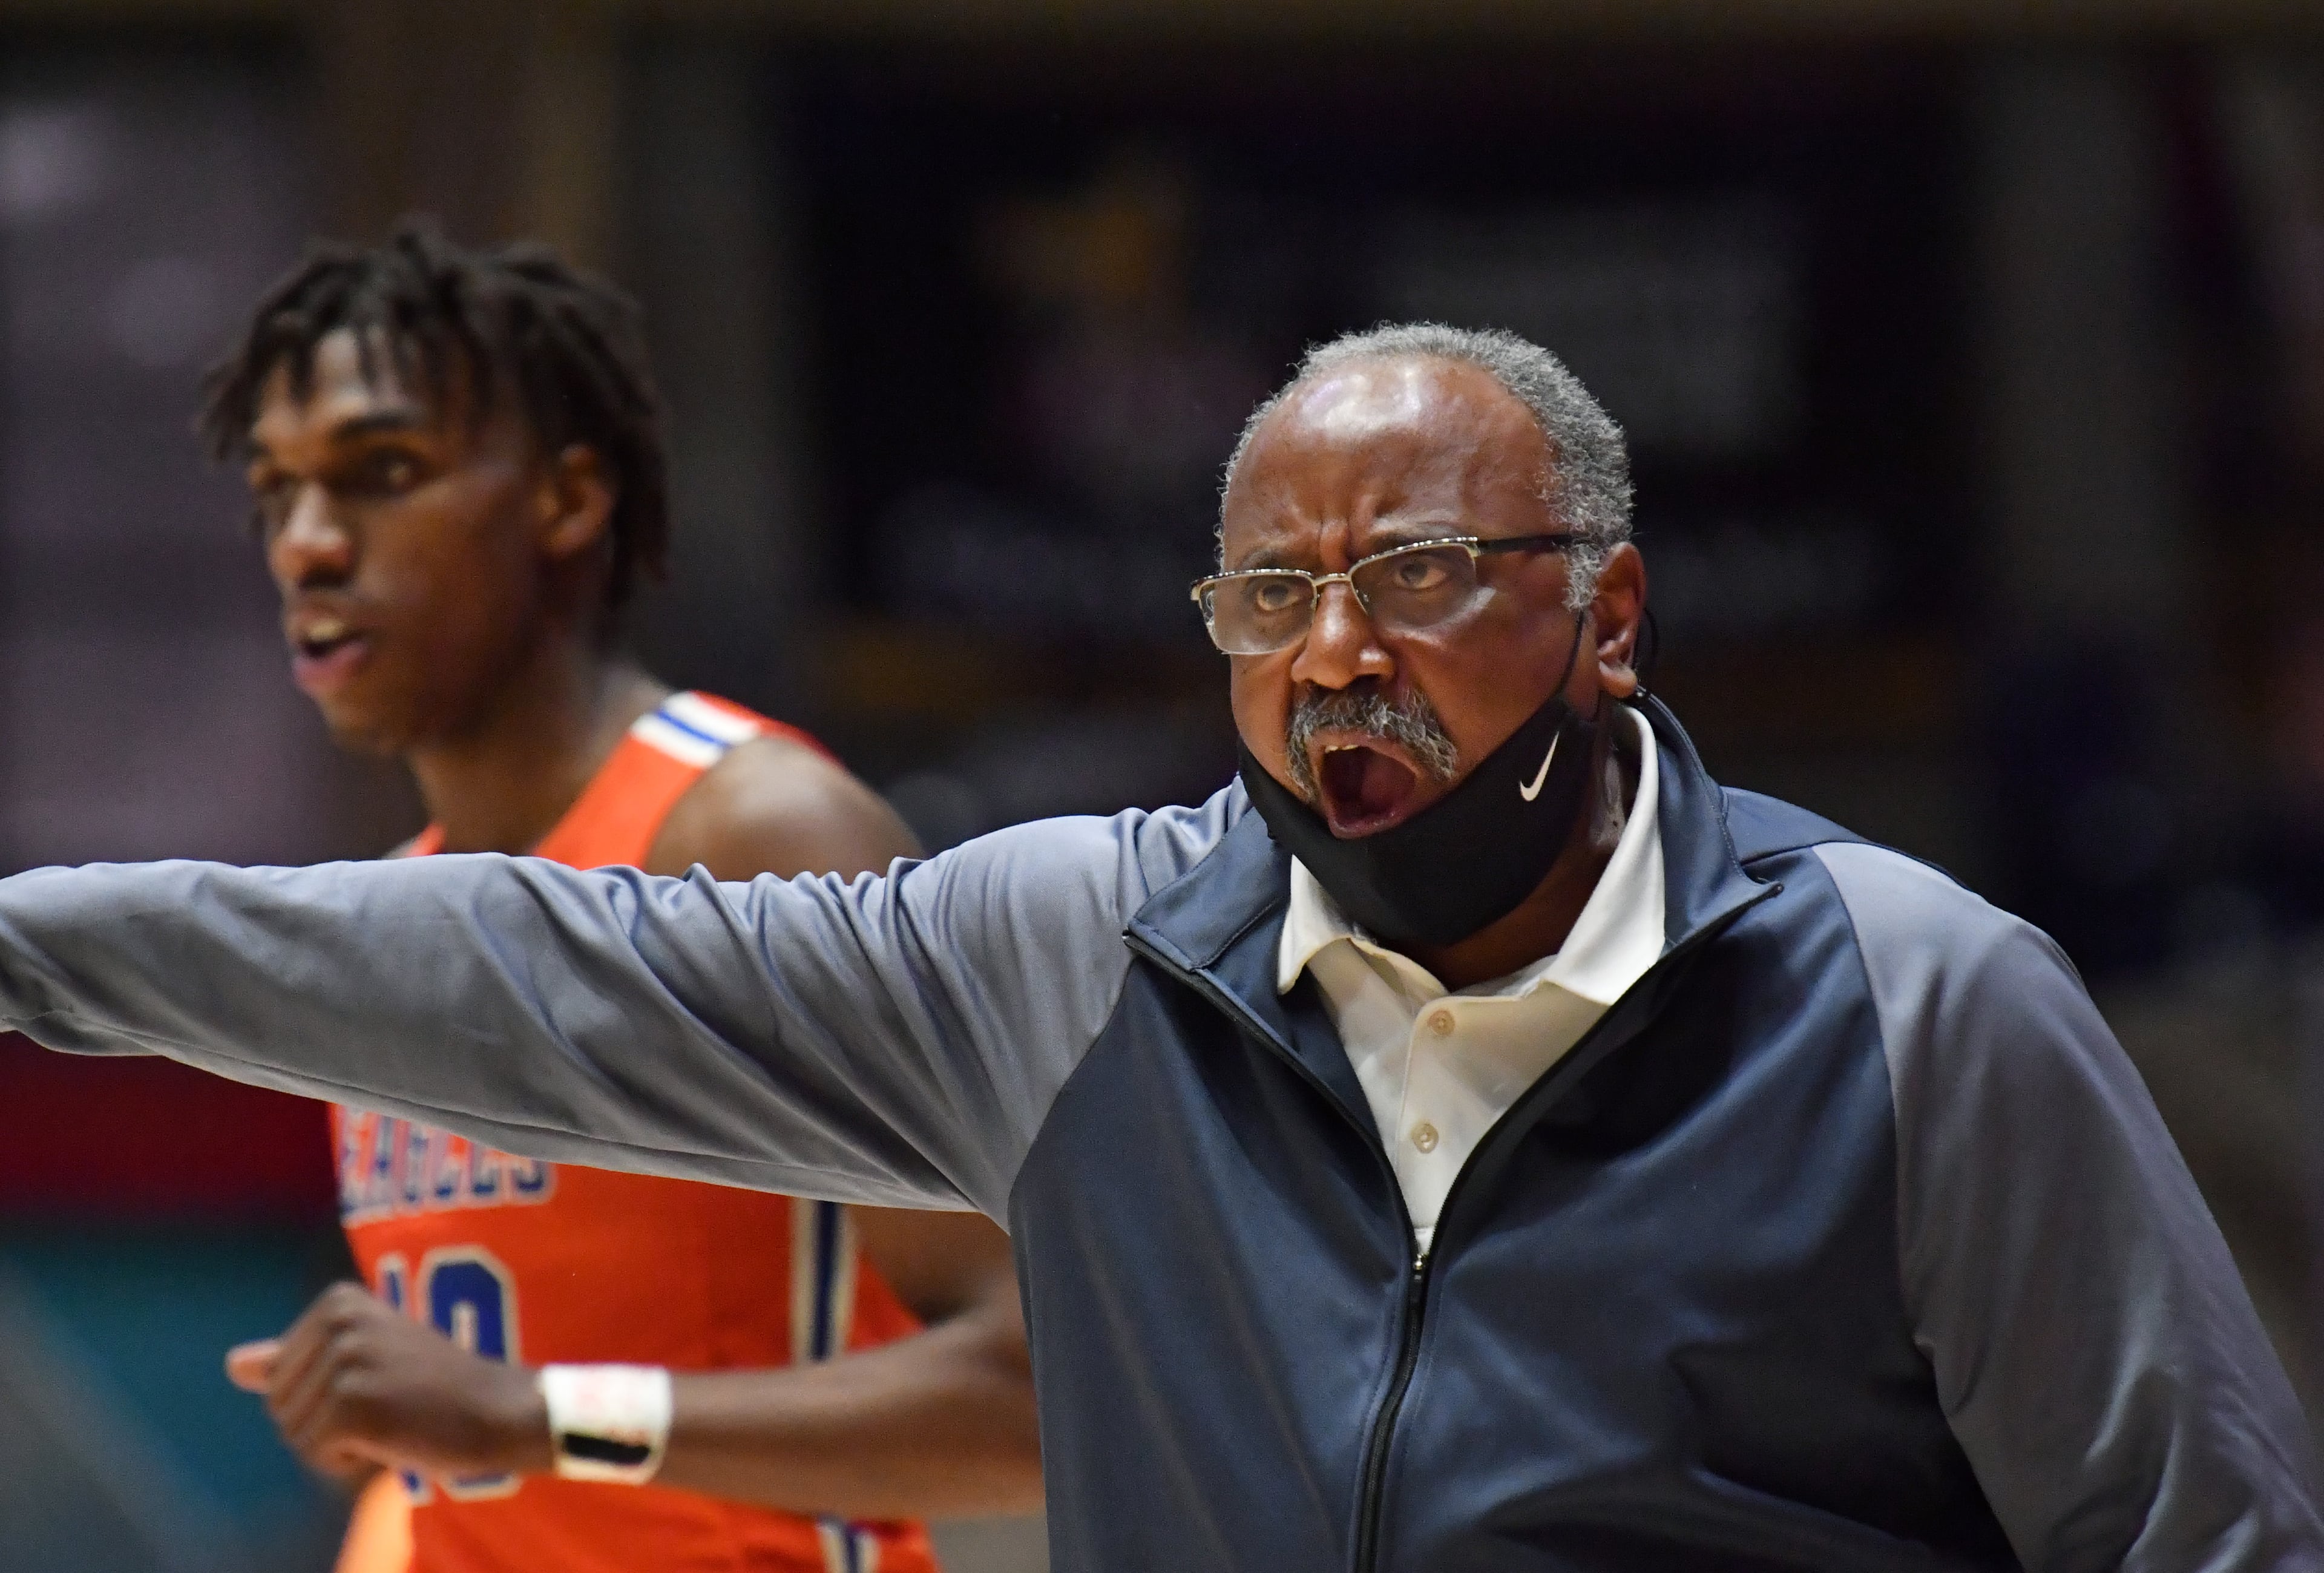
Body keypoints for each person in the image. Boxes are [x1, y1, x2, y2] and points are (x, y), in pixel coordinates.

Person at [4, 322, 2319, 1571]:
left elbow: (2194, 1535)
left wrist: (572, 1423)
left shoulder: (1921, 997)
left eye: (1417, 577)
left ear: (1607, 615)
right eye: (1270, 600)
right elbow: (533, 976)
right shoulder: (1080, 954)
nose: (1334, 657)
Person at [182, 226, 1041, 1572]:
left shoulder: (761, 837)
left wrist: (533, 1416)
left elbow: (1035, 1398)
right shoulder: (394, 915)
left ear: (567, 500)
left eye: (380, 474)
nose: (306, 544)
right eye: (276, 490)